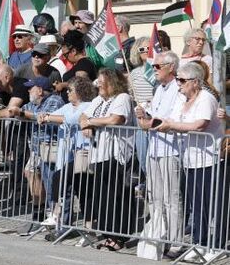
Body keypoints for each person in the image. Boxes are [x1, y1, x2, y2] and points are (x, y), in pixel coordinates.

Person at [158, 62, 226, 261]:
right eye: (178, 79)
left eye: (181, 80)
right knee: (197, 206)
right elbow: (170, 119)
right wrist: (152, 121)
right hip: (190, 158)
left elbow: (200, 124)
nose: (178, 84)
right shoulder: (183, 98)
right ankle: (199, 243)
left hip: (209, 158)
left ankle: (217, 245)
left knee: (212, 204)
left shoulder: (206, 98)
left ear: (195, 82)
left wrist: (173, 125)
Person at [79, 68, 134, 252]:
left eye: (103, 82)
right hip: (99, 154)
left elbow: (115, 119)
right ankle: (107, 234)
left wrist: (91, 122)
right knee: (103, 196)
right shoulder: (98, 100)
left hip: (116, 154)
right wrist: (85, 124)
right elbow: (83, 115)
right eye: (98, 82)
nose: (99, 85)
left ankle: (118, 236)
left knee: (116, 196)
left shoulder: (122, 98)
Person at [38, 76, 97, 239]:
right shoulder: (66, 106)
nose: (67, 93)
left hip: (83, 154)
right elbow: (53, 116)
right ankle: (61, 223)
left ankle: (89, 230)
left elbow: (73, 119)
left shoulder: (88, 106)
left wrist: (49, 118)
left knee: (83, 191)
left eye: (70, 90)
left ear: (79, 91)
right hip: (67, 155)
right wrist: (43, 116)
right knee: (65, 185)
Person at [135, 50, 182, 253]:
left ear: (171, 67)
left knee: (172, 198)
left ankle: (176, 241)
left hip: (170, 148)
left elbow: (168, 118)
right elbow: (151, 118)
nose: (153, 69)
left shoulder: (177, 89)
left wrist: (149, 119)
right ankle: (157, 235)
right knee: (155, 196)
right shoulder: (159, 88)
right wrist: (143, 114)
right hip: (154, 148)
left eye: (157, 66)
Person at [20, 77, 65, 225]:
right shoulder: (33, 103)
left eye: (31, 87)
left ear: (39, 90)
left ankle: (54, 213)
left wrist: (23, 114)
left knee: (51, 180)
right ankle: (39, 208)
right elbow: (21, 111)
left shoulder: (54, 100)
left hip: (51, 147)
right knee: (30, 172)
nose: (28, 90)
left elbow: (46, 117)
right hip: (36, 149)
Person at [54, 30, 97, 98]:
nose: (65, 58)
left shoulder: (83, 63)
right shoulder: (81, 63)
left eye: (65, 55)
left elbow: (80, 83)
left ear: (73, 51)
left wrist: (62, 85)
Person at [127, 37, 155, 106]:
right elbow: (130, 94)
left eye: (148, 48)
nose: (145, 51)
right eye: (142, 49)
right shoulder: (134, 73)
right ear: (137, 52)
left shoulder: (160, 70)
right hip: (140, 111)